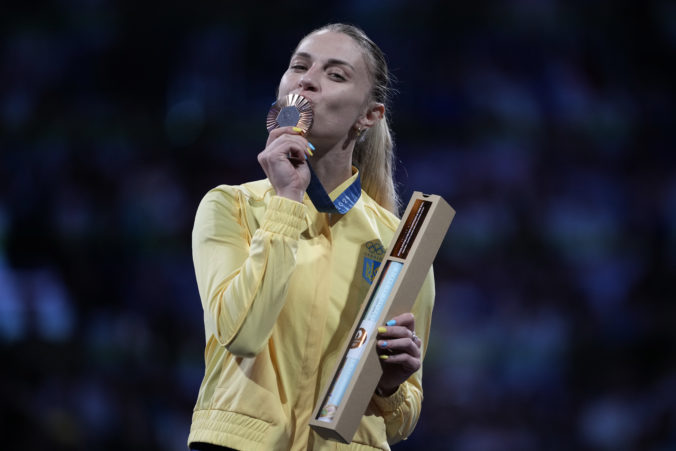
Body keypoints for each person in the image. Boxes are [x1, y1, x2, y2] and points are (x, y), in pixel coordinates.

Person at [188, 23, 435, 451]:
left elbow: (404, 416)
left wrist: (391, 389)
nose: (307, 79)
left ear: (369, 116)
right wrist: (287, 198)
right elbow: (242, 334)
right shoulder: (230, 207)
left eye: (335, 74)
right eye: (299, 66)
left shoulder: (401, 241)